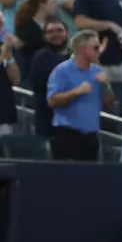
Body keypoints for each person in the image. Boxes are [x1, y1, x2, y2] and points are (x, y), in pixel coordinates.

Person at [46, 30, 114, 161]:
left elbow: (109, 103)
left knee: (90, 179)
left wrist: (106, 85)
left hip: (91, 136)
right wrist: (76, 92)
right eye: (95, 47)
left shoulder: (98, 71)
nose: (99, 50)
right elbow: (52, 100)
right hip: (68, 134)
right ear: (82, 49)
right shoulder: (62, 70)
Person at [29, 18, 70, 138]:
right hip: (49, 126)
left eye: (59, 30)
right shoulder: (42, 57)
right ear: (44, 36)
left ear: (67, 33)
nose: (56, 34)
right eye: (51, 32)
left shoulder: (70, 57)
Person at [13, 0, 56, 77]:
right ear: (42, 4)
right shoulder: (26, 27)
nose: (55, 6)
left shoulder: (53, 23)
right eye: (52, 3)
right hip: (31, 71)